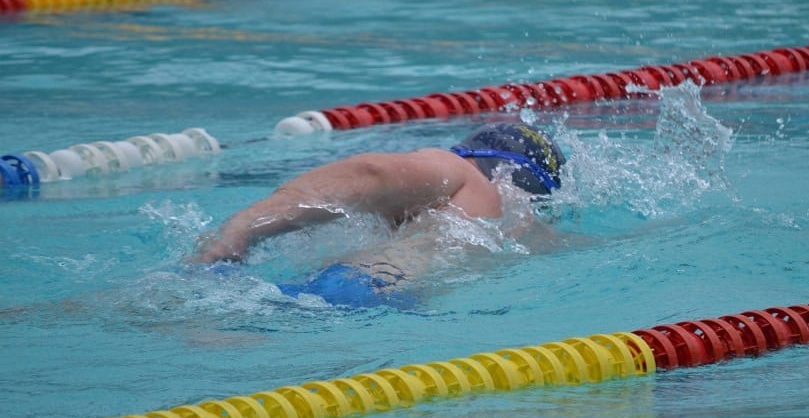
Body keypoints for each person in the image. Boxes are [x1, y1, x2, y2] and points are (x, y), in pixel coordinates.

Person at [193, 123, 566, 307]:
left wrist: (241, 230)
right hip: (392, 311)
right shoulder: (526, 232)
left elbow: (371, 174)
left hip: (344, 291)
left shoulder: (460, 172)